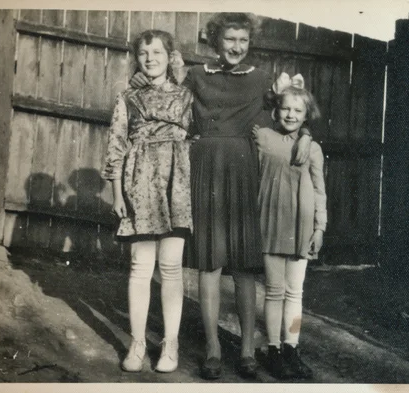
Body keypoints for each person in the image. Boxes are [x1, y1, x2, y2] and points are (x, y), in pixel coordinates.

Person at [129, 12, 313, 380]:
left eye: (242, 40)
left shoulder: (262, 80)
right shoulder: (196, 75)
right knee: (210, 264)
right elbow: (159, 85)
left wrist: (305, 135)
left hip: (244, 172)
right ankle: (212, 348)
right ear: (216, 41)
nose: (236, 47)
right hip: (205, 169)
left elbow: (292, 112)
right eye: (229, 39)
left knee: (244, 267)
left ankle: (246, 351)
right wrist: (139, 77)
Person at [101, 29, 193, 373]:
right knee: (140, 267)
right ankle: (137, 343)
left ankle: (170, 345)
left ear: (170, 57)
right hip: (138, 183)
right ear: (137, 58)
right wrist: (116, 192)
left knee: (171, 268)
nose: (151, 58)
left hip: (176, 185)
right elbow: (116, 144)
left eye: (157, 52)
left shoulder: (187, 97)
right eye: (144, 53)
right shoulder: (127, 97)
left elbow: (199, 137)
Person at [253, 76, 327, 380]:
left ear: (306, 116)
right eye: (285, 109)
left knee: (295, 292)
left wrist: (319, 227)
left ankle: (291, 347)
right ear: (276, 110)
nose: (291, 115)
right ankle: (272, 349)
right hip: (271, 222)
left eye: (298, 111)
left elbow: (320, 190)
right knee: (274, 291)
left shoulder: (312, 148)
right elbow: (255, 116)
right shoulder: (263, 138)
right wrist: (274, 91)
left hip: (302, 226)